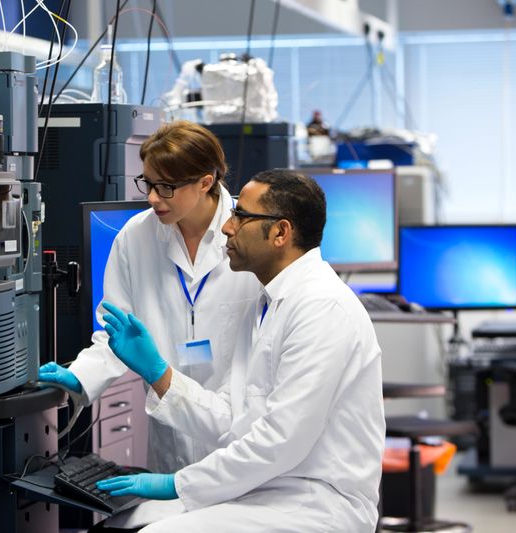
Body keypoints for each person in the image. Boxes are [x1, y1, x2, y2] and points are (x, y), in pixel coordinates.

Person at [96, 169, 386, 532]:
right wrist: (160, 375)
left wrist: (178, 483)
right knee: (119, 523)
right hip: (267, 487)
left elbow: (280, 441)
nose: (227, 228)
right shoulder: (268, 305)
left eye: (241, 216)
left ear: (280, 232)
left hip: (316, 500)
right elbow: (234, 417)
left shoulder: (321, 309)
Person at [37, 121, 260, 503]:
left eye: (166, 187)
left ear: (206, 182)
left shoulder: (247, 236)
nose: (153, 198)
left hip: (238, 441)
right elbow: (115, 336)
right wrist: (79, 376)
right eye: (148, 183)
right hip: (169, 440)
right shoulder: (135, 237)